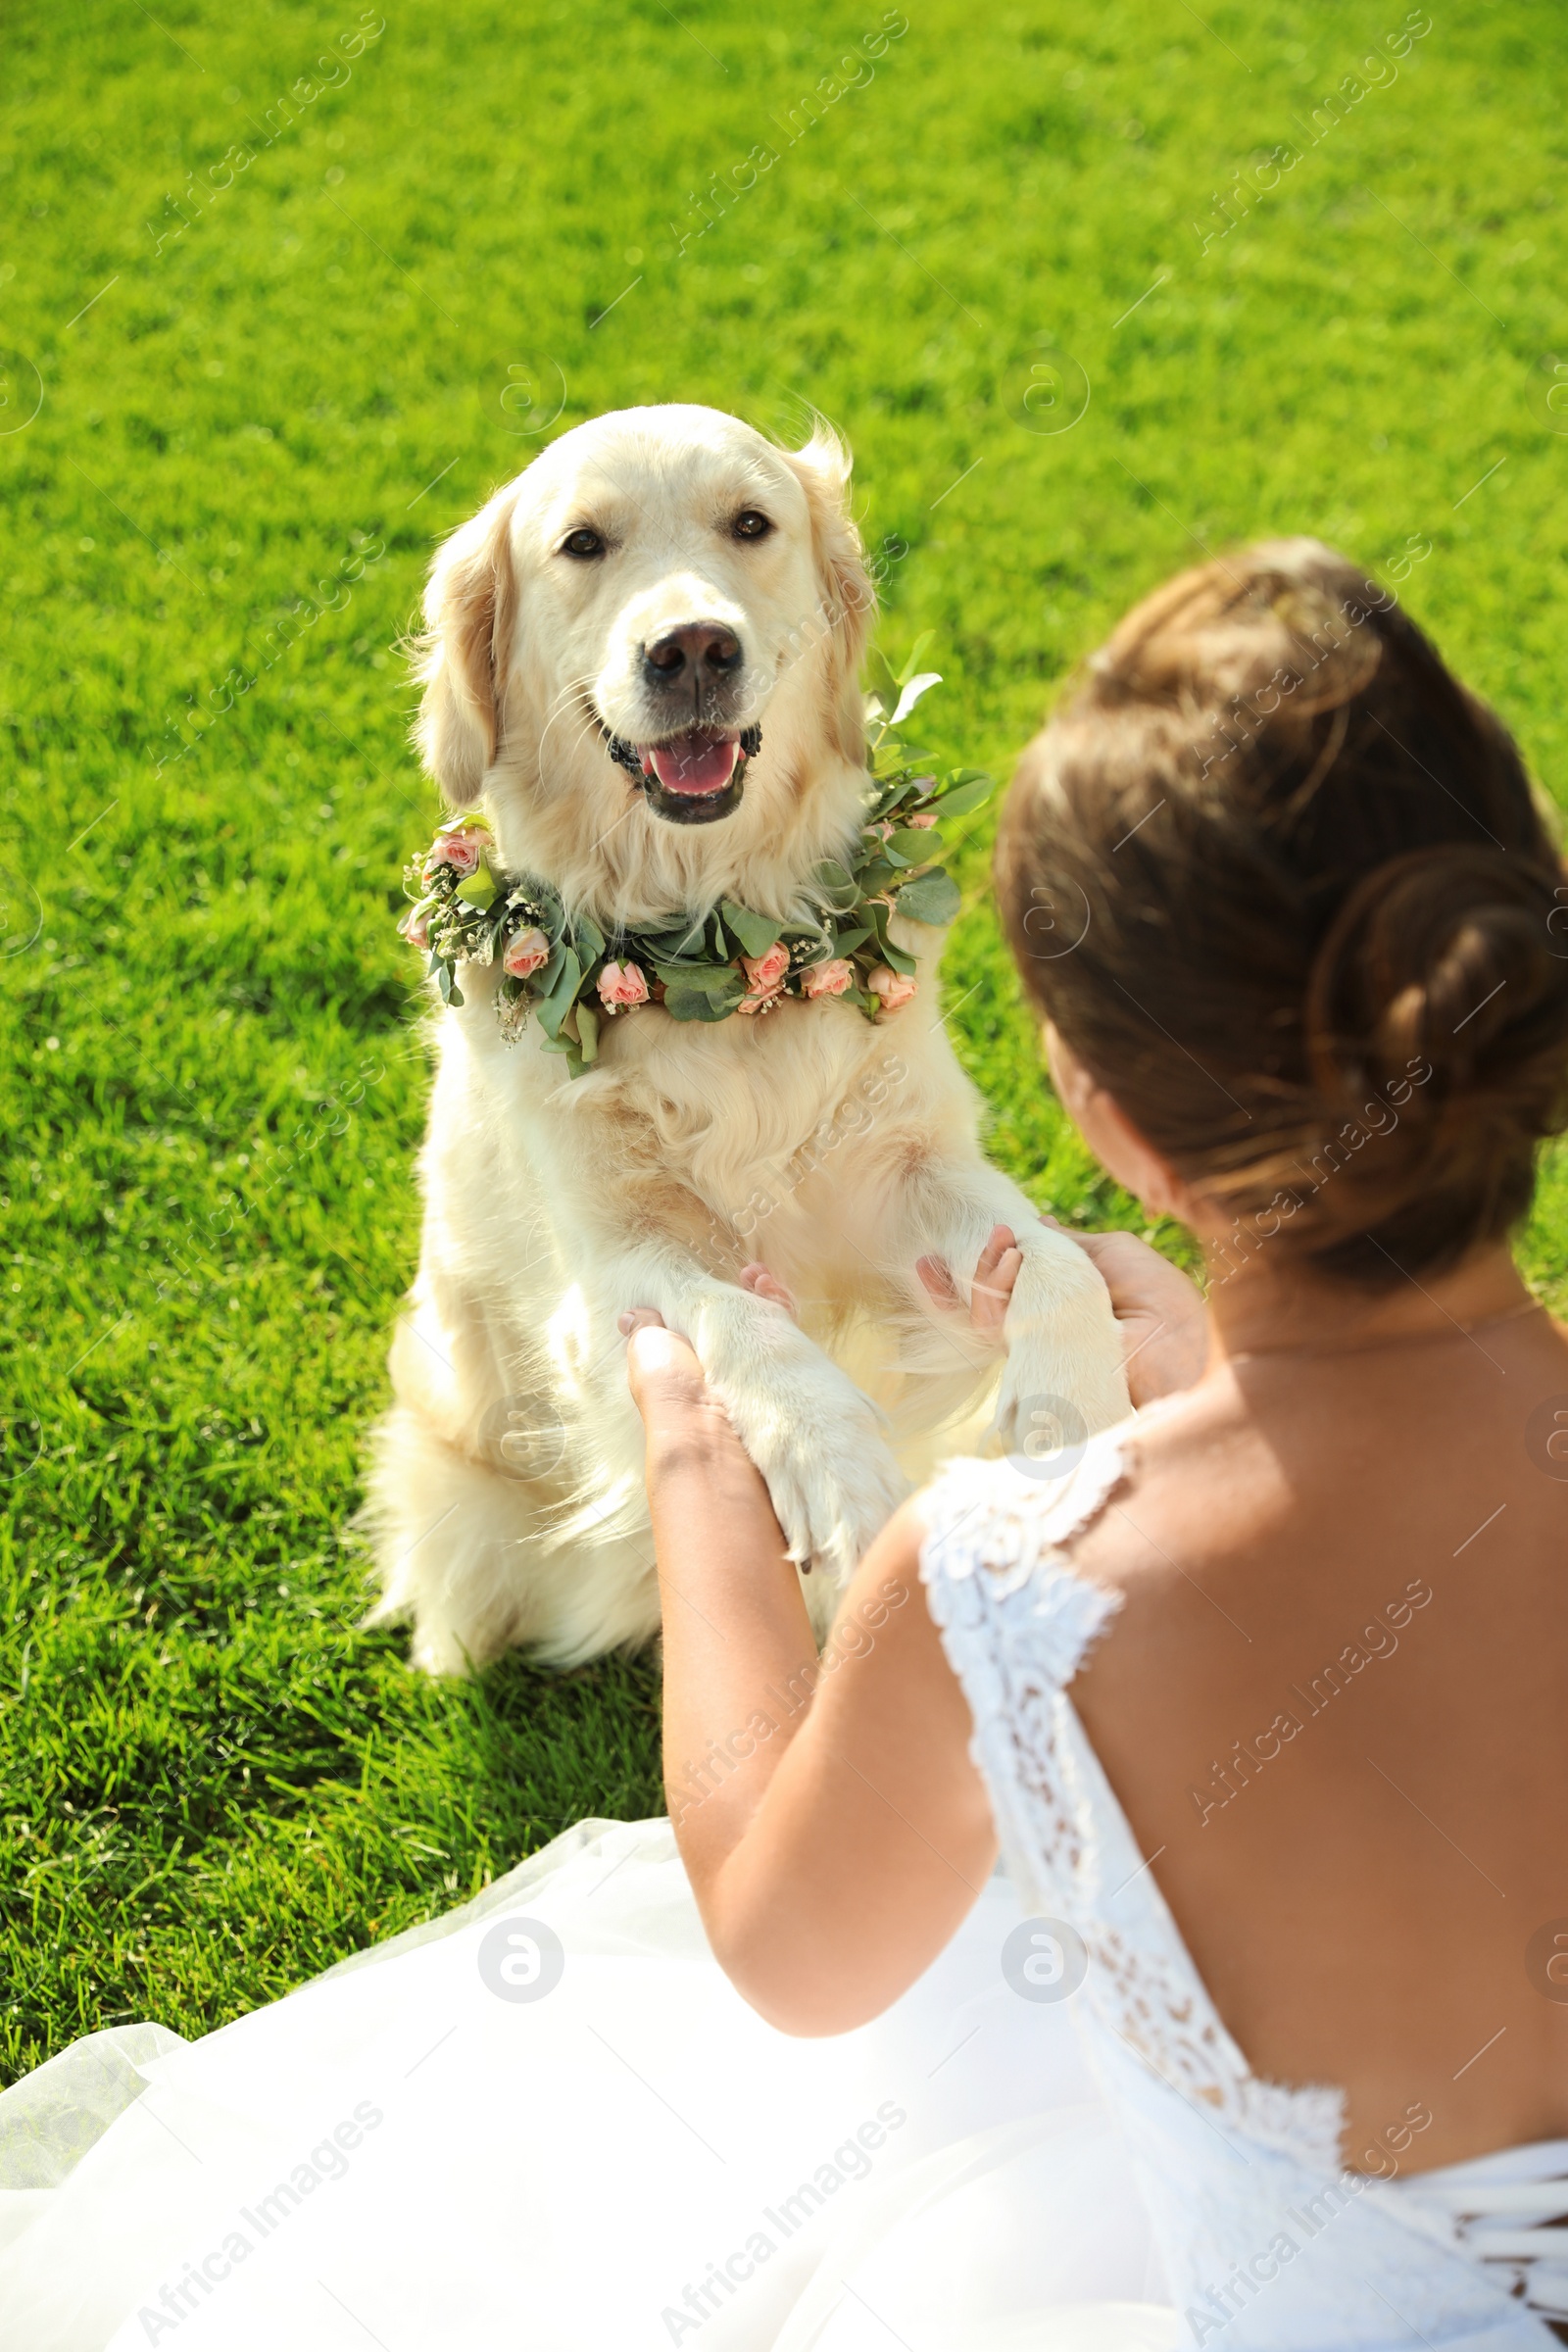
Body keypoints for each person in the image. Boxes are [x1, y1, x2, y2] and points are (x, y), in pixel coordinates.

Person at [3, 539, 1566, 2350]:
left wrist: (692, 1463)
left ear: (1101, 1109)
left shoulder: (1012, 1586)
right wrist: (1223, 1370)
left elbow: (785, 1941)